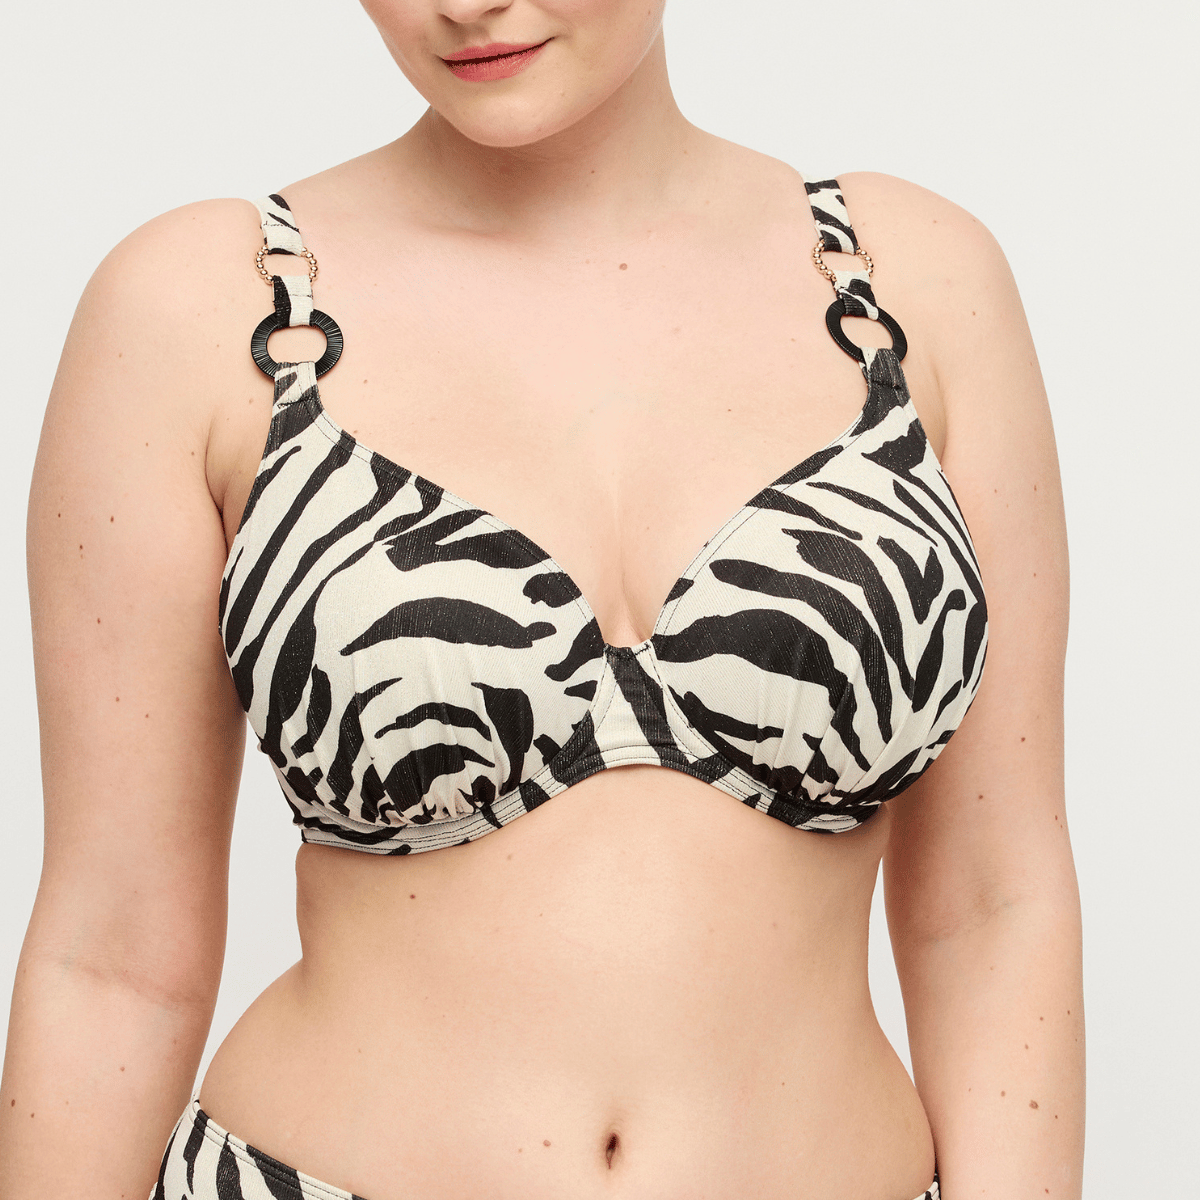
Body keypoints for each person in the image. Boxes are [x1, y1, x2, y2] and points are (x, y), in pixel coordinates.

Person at [0, 1, 1084, 1197]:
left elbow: (992, 904)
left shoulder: (914, 283)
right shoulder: (198, 308)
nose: (465, 2)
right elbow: (113, 959)